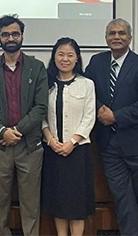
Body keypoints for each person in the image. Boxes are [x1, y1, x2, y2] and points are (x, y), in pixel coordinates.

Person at [85, 19, 138, 236]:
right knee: (122, 199)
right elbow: (88, 91)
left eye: (121, 33)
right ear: (106, 37)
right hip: (109, 145)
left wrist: (115, 116)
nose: (116, 37)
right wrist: (100, 109)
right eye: (112, 33)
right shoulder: (96, 62)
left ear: (130, 37)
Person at [0, 14, 48, 236]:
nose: (10, 38)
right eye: (5, 34)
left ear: (22, 36)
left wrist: (16, 131)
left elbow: (40, 107)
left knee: (30, 204)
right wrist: (2, 131)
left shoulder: (36, 67)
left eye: (15, 33)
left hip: (29, 146)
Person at [41, 37, 95, 236]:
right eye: (61, 54)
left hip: (78, 152)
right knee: (58, 202)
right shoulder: (45, 84)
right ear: (54, 57)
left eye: (70, 55)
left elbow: (89, 117)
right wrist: (51, 140)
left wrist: (72, 142)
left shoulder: (87, 84)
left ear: (77, 58)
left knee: (76, 203)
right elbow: (41, 117)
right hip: (52, 150)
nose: (65, 59)